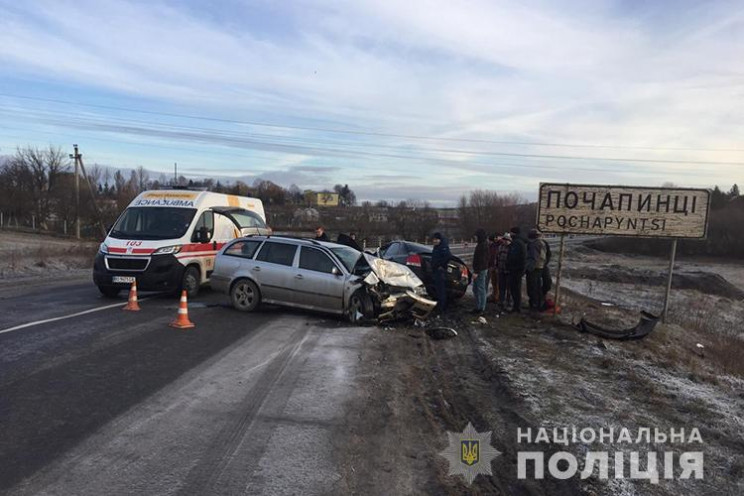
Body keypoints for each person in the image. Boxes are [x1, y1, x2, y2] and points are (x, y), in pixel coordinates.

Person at [506, 226, 526, 313]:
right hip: (518, 269)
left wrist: (509, 264)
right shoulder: (520, 242)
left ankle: (516, 307)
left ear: (513, 233)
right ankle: (516, 306)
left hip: (515, 269)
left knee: (515, 289)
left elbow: (514, 256)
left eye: (510, 233)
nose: (510, 234)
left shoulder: (516, 243)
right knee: (516, 288)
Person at [430, 232, 451, 314]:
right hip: (436, 270)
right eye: (434, 239)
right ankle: (439, 305)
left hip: (440, 271)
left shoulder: (443, 247)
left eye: (436, 239)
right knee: (438, 289)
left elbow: (448, 257)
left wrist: (441, 266)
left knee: (441, 290)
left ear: (440, 240)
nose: (435, 241)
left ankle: (441, 308)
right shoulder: (436, 247)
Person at [526, 228, 546, 311]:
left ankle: (534, 305)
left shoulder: (534, 244)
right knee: (537, 287)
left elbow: (533, 257)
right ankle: (538, 305)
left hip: (534, 268)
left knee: (532, 287)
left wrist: (528, 268)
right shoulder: (542, 243)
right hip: (540, 267)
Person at [471, 228, 489, 314]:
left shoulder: (483, 246)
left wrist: (476, 272)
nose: (475, 238)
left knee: (480, 289)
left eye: (476, 236)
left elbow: (482, 260)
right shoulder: (482, 244)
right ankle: (478, 306)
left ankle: (481, 308)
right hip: (480, 269)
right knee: (476, 289)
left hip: (480, 270)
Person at [497, 232, 512, 311]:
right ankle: (501, 301)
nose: (505, 241)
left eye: (507, 240)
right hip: (501, 269)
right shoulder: (500, 247)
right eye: (504, 239)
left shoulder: (511, 248)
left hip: (508, 271)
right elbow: (498, 257)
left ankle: (508, 302)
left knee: (509, 288)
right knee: (501, 287)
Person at [487, 234, 499, 303]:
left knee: (496, 282)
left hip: (494, 267)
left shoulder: (494, 247)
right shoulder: (492, 246)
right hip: (492, 266)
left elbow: (493, 257)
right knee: (494, 282)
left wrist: (493, 266)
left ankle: (496, 296)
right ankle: (495, 295)